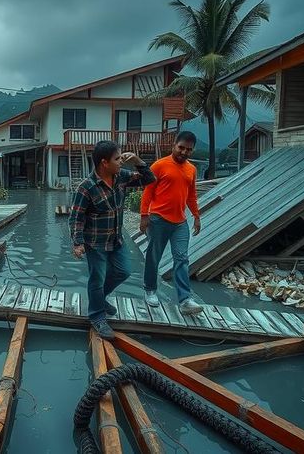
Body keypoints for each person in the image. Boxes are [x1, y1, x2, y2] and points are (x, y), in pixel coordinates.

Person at [69, 140, 155, 340]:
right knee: (97, 279)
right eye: (117, 159)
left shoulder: (121, 177)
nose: (121, 162)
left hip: (116, 239)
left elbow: (149, 178)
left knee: (124, 271)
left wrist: (137, 160)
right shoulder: (86, 188)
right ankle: (97, 316)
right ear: (104, 163)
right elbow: (76, 217)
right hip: (95, 243)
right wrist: (78, 243)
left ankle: (99, 299)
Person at [140, 130, 204, 315]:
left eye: (188, 150)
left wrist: (196, 216)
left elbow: (191, 195)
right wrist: (144, 216)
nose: (184, 152)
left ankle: (185, 300)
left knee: (182, 259)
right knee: (154, 257)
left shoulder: (191, 169)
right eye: (181, 147)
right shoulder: (159, 166)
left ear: (192, 151)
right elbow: (148, 192)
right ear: (174, 145)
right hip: (158, 219)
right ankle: (150, 290)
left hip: (180, 223)